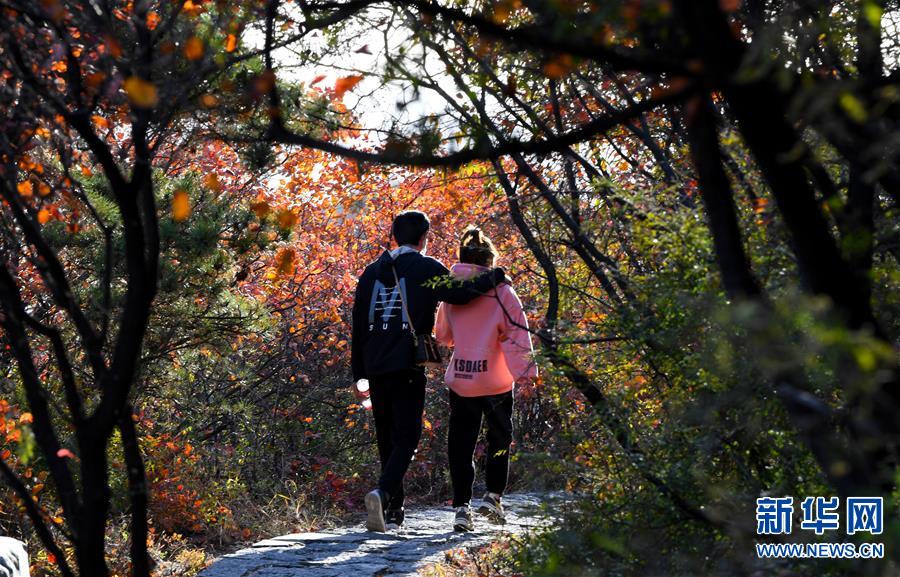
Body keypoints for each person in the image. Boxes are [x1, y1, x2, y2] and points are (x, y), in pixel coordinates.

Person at [351, 211, 506, 533]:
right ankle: (383, 493)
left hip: (376, 365)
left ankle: (393, 511)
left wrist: (358, 375)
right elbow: (460, 295)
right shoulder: (425, 267)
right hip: (406, 364)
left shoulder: (369, 273)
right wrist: (494, 276)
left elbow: (357, 327)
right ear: (425, 238)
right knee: (407, 438)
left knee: (387, 438)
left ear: (394, 236)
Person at [434, 227, 537, 532]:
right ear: (490, 260)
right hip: (497, 382)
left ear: (462, 259)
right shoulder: (503, 291)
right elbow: (518, 333)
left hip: (463, 379)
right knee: (500, 439)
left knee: (461, 445)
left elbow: (443, 336)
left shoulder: (452, 291)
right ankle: (492, 498)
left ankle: (462, 508)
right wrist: (527, 373)